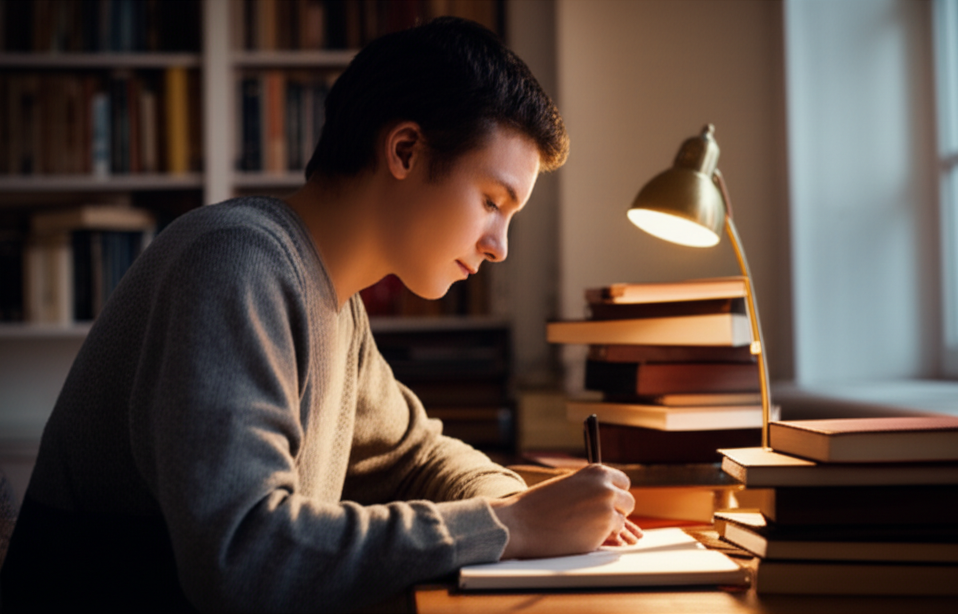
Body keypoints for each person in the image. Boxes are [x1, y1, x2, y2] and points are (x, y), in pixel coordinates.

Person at [0, 16, 640, 613]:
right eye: (492, 201)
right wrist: (514, 527)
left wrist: (518, 499)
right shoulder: (237, 264)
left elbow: (415, 456)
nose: (499, 245)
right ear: (406, 151)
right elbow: (241, 552)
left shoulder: (335, 302)